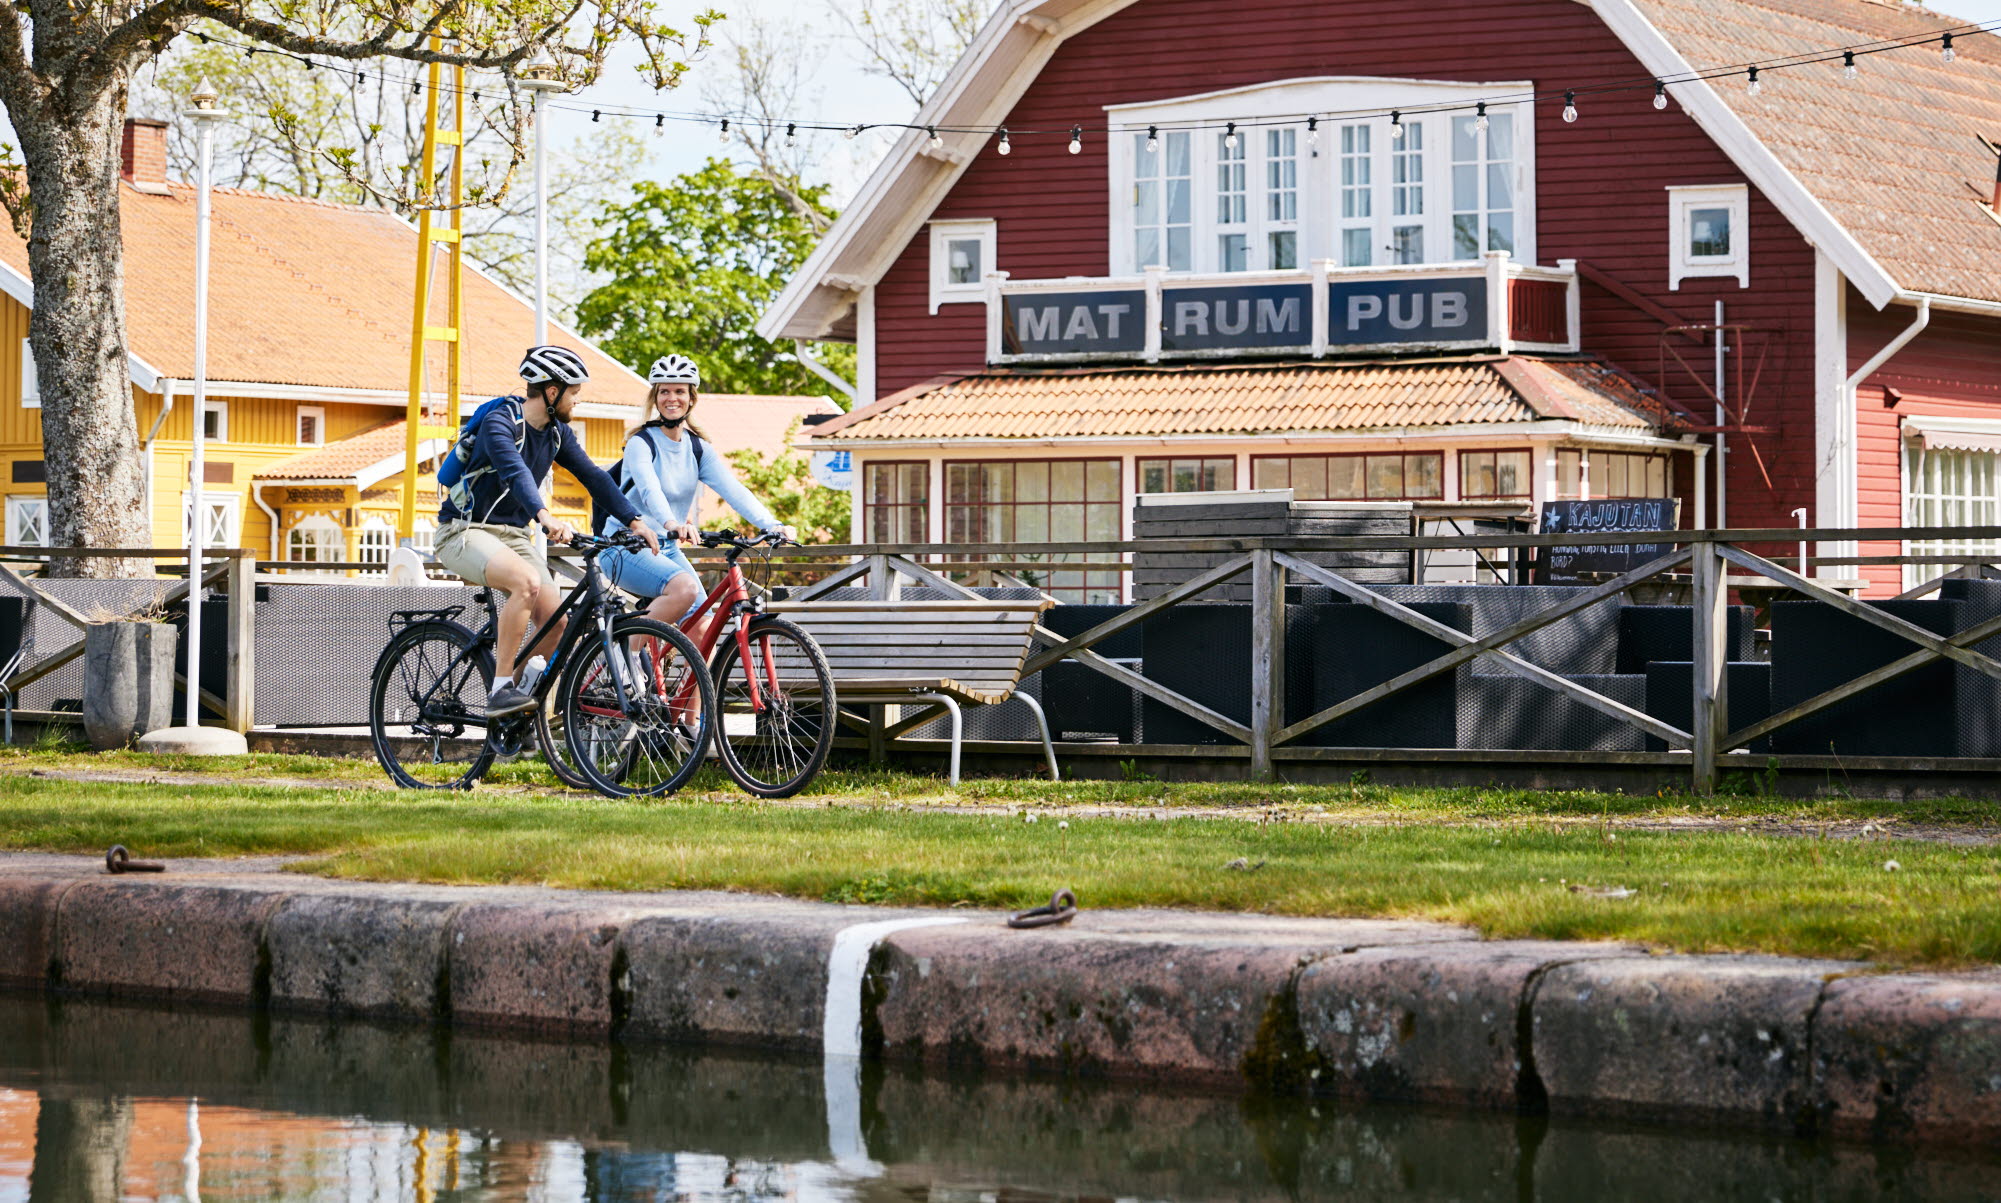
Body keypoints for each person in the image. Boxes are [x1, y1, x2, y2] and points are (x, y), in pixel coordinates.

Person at [432, 345, 661, 717]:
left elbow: (595, 477)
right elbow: (514, 472)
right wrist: (545, 516)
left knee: (557, 623)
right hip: (463, 531)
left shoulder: (557, 433)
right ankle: (501, 688)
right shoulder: (501, 422)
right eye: (574, 392)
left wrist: (635, 520)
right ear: (552, 392)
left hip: (513, 537)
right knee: (526, 582)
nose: (578, 400)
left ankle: (514, 712)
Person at [600, 354, 795, 627]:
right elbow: (649, 489)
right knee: (685, 589)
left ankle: (695, 672)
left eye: (679, 391)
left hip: (665, 549)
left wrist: (773, 525)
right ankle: (628, 662)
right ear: (655, 398)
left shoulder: (697, 448)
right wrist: (673, 523)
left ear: (691, 398)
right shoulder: (640, 443)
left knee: (703, 623)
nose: (672, 398)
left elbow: (734, 490)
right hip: (624, 548)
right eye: (664, 391)